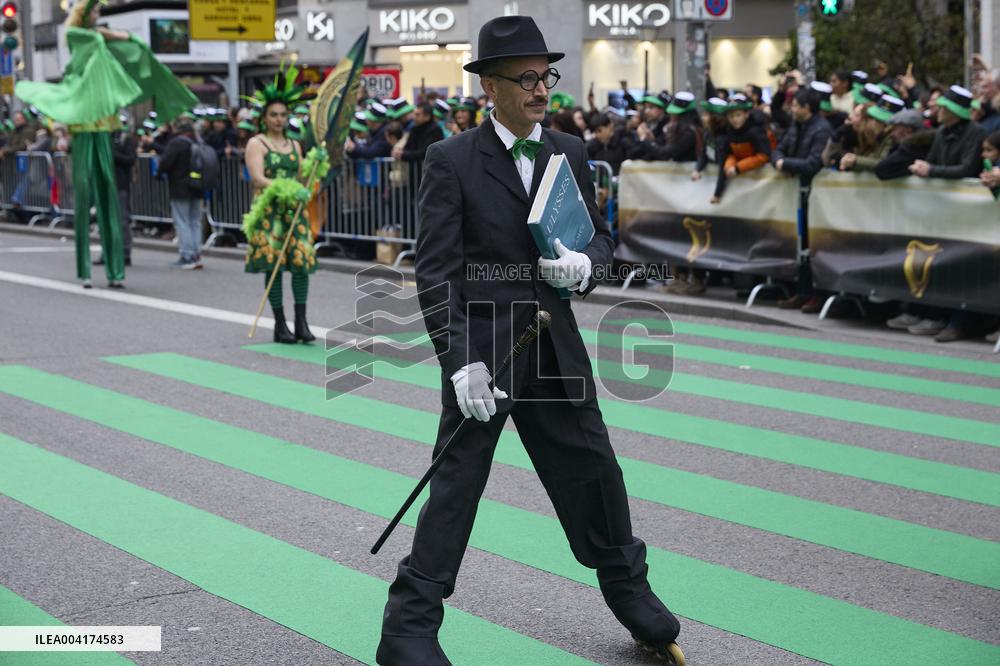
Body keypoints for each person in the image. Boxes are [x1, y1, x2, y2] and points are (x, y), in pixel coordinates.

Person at [376, 15, 684, 666]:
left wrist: (588, 266)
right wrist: (459, 364)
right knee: (456, 486)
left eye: (545, 74)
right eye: (525, 77)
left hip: (556, 346)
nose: (541, 88)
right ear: (490, 86)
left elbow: (599, 239)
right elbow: (434, 273)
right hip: (484, 354)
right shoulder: (450, 159)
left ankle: (629, 592)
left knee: (595, 471)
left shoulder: (569, 153)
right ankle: (408, 628)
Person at [14, 0, 196, 288]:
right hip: (84, 124)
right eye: (94, 11)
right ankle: (84, 270)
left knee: (109, 197)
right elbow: (87, 34)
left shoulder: (99, 38)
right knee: (85, 193)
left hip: (104, 125)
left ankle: (115, 271)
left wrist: (117, 34)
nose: (98, 15)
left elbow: (134, 44)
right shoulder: (80, 37)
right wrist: (99, 23)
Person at [241, 66, 318, 345]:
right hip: (269, 211)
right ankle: (280, 324)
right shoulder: (256, 143)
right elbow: (259, 178)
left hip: (294, 212)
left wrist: (315, 166)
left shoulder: (295, 145)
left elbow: (301, 178)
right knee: (272, 265)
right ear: (264, 118)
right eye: (273, 115)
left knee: (301, 263)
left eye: (283, 115)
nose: (278, 119)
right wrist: (285, 190)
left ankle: (302, 322)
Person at [771, 87, 833, 312]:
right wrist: (780, 161)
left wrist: (786, 164)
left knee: (812, 243)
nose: (792, 108)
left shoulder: (822, 129)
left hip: (814, 194)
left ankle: (816, 293)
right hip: (795, 194)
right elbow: (777, 151)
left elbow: (813, 163)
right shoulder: (795, 126)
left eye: (796, 105)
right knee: (799, 242)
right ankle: (802, 291)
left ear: (807, 108)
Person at [909, 85, 988, 180]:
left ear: (954, 111)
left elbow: (967, 169)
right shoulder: (942, 130)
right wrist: (921, 167)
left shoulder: (976, 132)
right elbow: (931, 160)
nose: (939, 110)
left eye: (943, 107)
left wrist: (931, 170)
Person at [157, 120, 204, 269]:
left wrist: (159, 172)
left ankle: (187, 255)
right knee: (195, 222)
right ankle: (196, 253)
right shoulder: (199, 142)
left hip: (180, 187)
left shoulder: (177, 143)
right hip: (197, 187)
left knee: (182, 222)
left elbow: (165, 163)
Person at [873, 109, 935, 180]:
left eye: (895, 129)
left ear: (908, 130)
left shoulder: (912, 149)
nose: (892, 134)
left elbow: (881, 169)